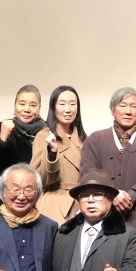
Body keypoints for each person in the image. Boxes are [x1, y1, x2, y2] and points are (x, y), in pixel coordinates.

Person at [81, 88, 136, 237]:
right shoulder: (95, 139)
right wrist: (112, 194)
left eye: (133, 106)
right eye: (122, 106)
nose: (128, 111)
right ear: (112, 110)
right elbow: (88, 173)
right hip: (103, 219)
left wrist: (131, 196)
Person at [32, 85, 87, 224]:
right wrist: (52, 153)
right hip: (54, 205)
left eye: (72, 104)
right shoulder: (44, 136)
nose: (68, 109)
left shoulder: (85, 139)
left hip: (82, 205)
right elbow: (38, 179)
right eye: (62, 104)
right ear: (53, 107)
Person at [0, 85, 48, 178]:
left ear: (39, 108)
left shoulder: (49, 132)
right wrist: (3, 140)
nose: (27, 109)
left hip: (44, 186)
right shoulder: (3, 129)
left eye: (33, 105)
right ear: (15, 106)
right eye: (22, 104)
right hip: (14, 186)